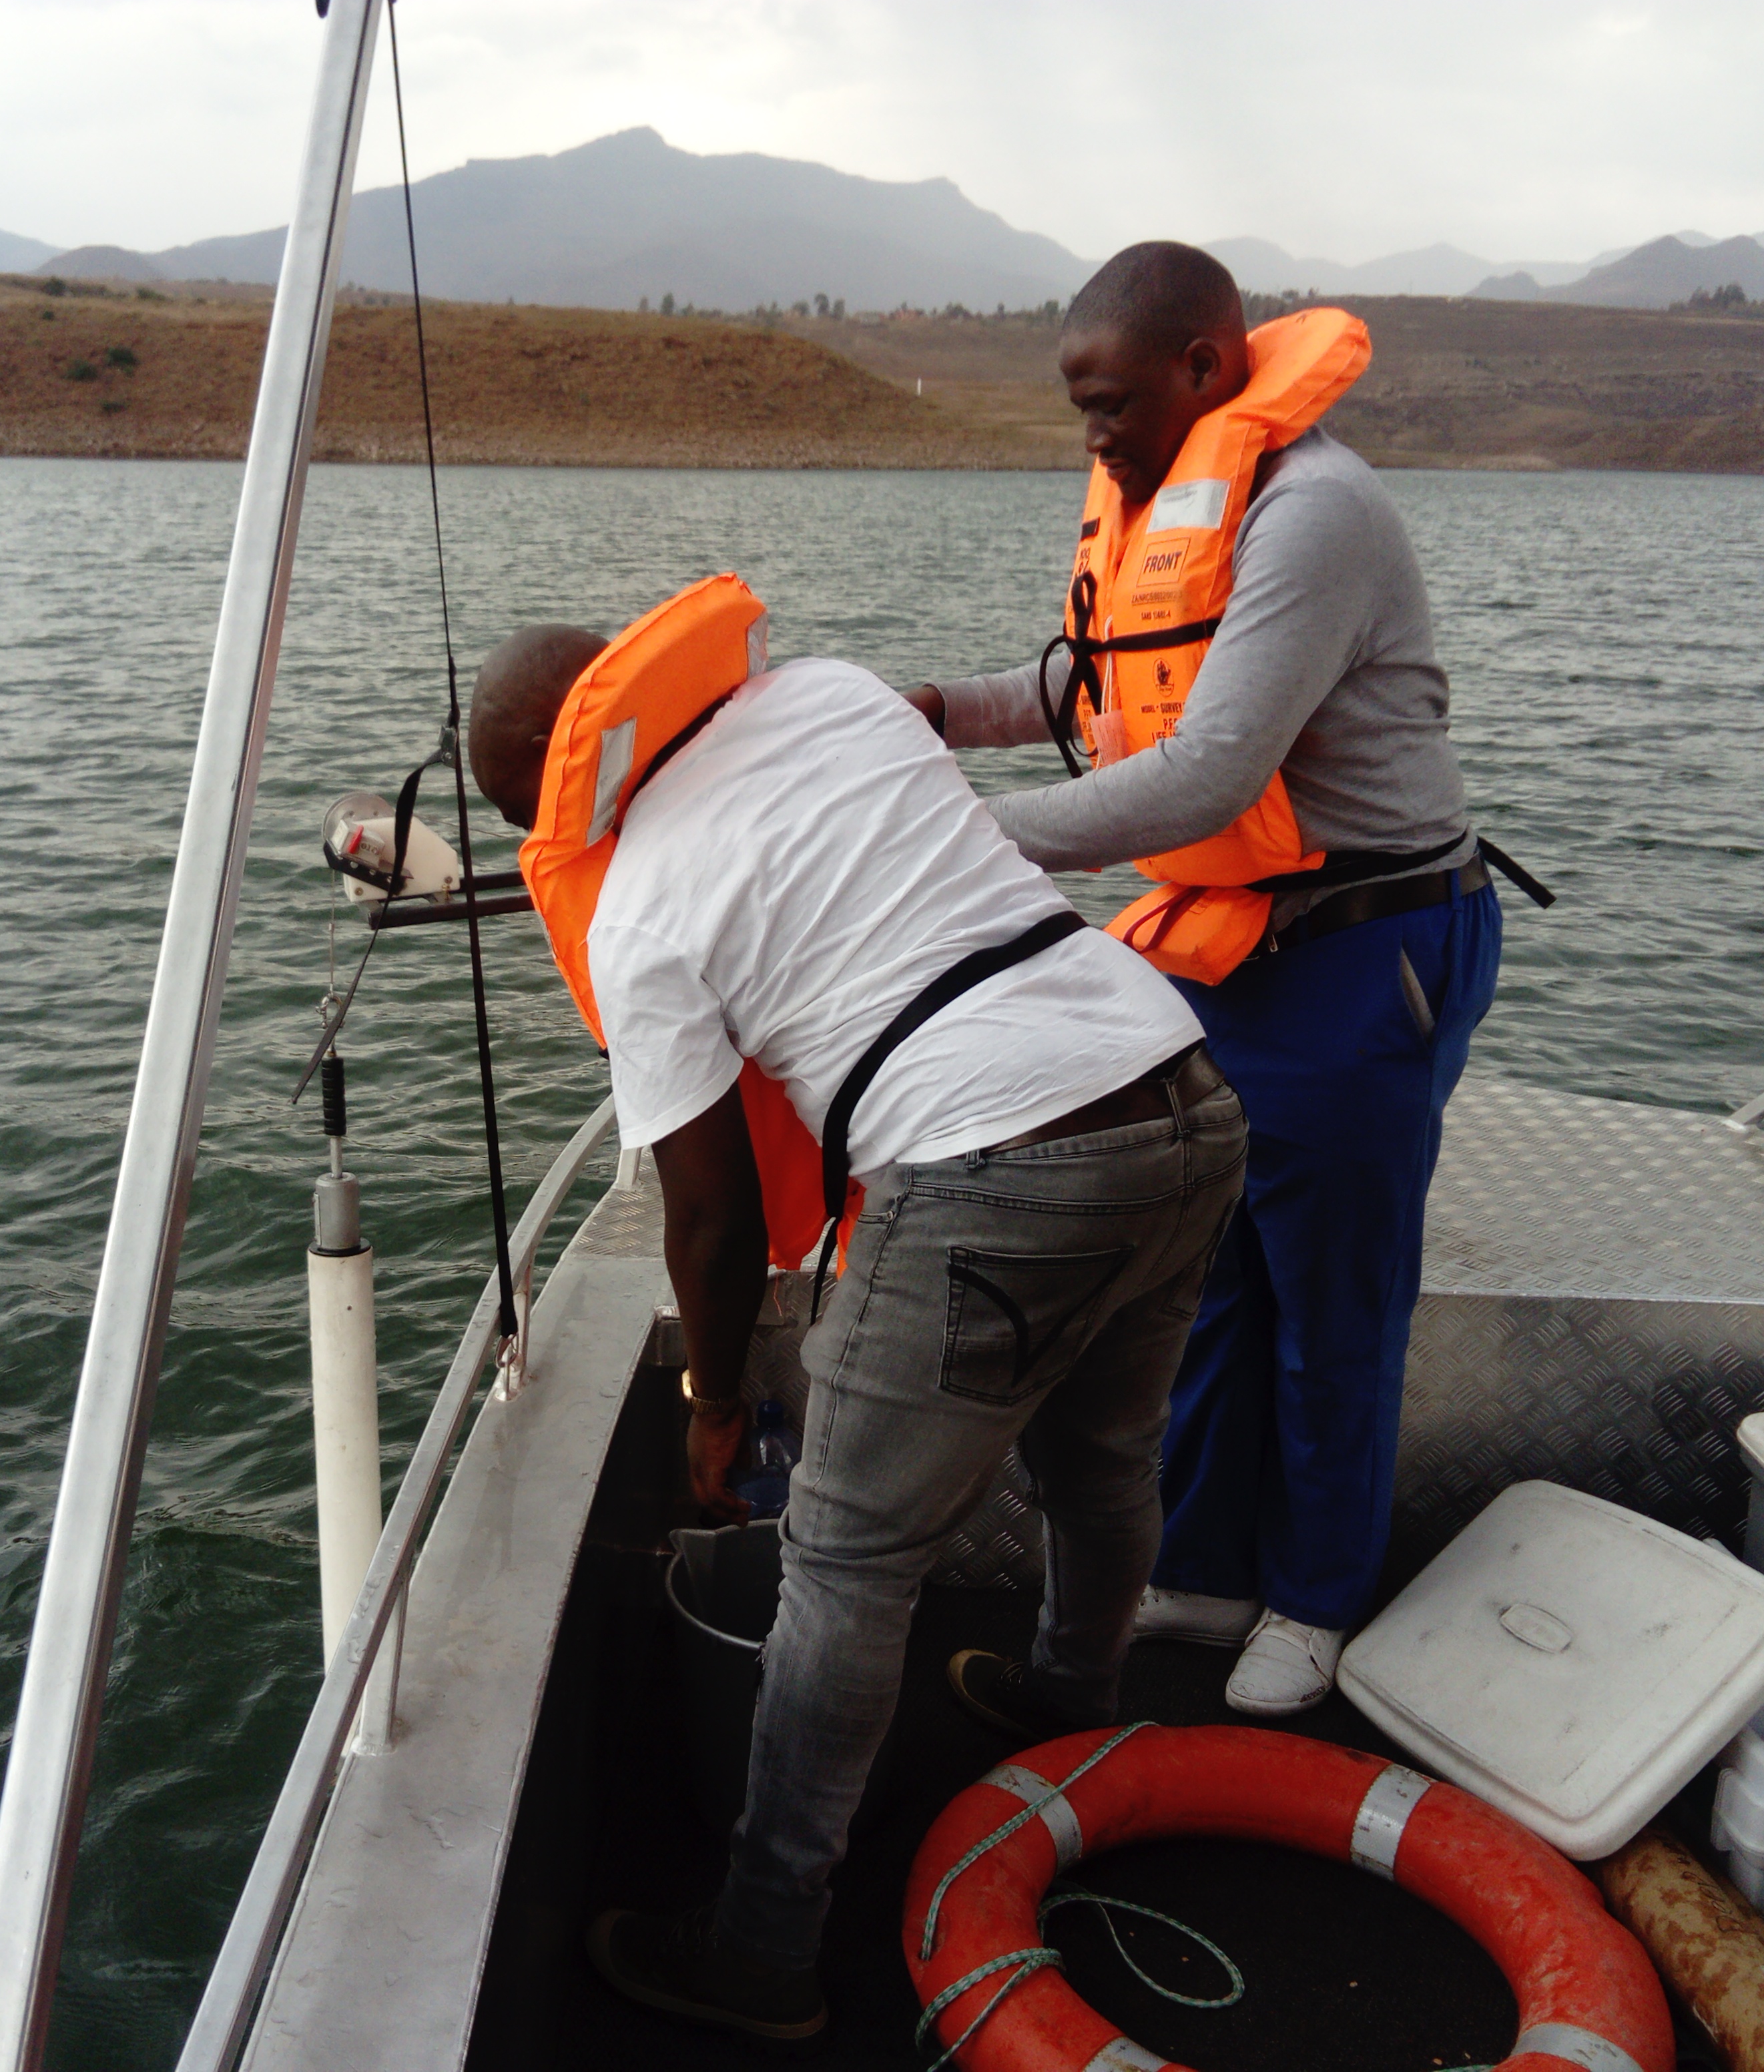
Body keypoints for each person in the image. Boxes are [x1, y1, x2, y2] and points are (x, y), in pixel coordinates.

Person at [471, 576, 1246, 2041]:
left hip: (997, 1165)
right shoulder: (828, 692)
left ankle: (762, 1952)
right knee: (1100, 1454)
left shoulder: (633, 904)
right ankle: (1072, 1695)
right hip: (1180, 1089)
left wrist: (712, 1406)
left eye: (535, 817)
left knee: (842, 1565)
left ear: (562, 794)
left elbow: (712, 1217)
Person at [905, 241, 1508, 1718]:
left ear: (1205, 369)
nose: (1092, 435)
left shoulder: (1316, 517)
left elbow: (1199, 774)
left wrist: (949, 835)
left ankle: (1317, 1604)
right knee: (1212, 1282)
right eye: (1077, 406)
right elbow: (1090, 685)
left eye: (1110, 402)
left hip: (1362, 954)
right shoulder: (1159, 503)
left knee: (1334, 1305)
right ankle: (1210, 1567)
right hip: (1226, 948)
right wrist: (927, 716)